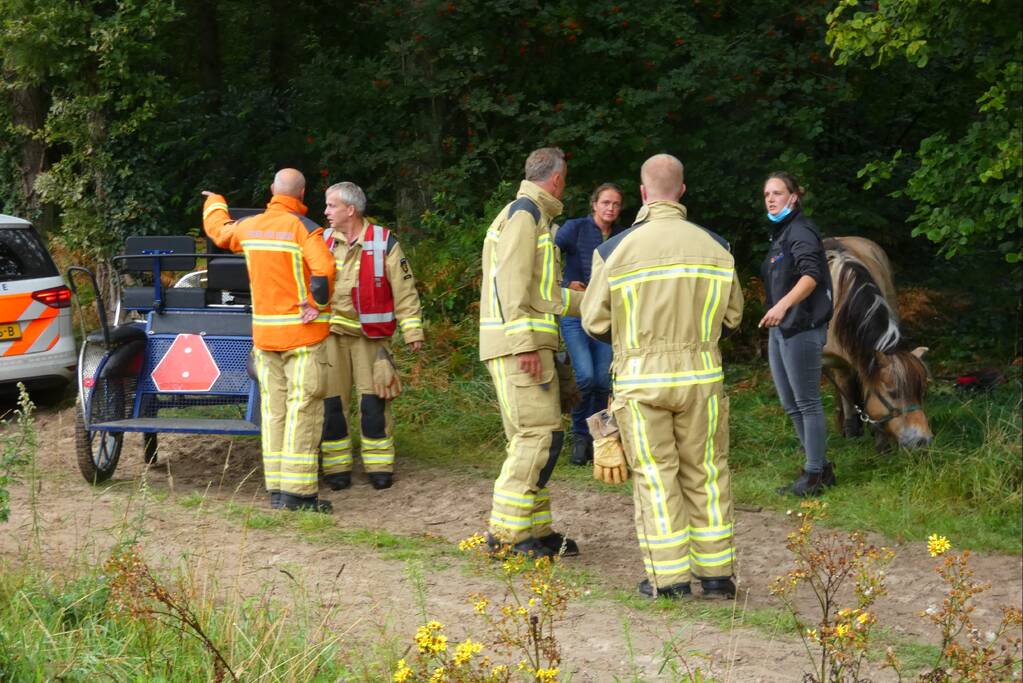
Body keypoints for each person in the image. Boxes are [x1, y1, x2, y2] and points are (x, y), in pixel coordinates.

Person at [581, 154, 743, 599]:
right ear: (682, 192)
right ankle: (717, 575)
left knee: (656, 476)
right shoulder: (717, 247)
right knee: (707, 471)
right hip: (702, 381)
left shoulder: (614, 250)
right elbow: (733, 318)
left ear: (643, 193)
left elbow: (594, 322)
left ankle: (669, 580)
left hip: (640, 382)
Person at [202, 168, 336, 512]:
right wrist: (317, 303)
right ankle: (299, 494)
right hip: (302, 338)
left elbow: (218, 231)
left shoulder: (250, 227)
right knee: (303, 410)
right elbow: (324, 270)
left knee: (274, 411)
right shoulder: (305, 229)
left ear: (272, 190)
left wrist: (216, 202)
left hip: (264, 338)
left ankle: (276, 489)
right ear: (302, 194)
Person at [479, 146, 582, 558]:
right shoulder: (526, 214)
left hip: (527, 345)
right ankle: (507, 536)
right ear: (556, 179)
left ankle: (535, 530)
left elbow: (541, 295)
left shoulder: (531, 215)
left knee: (540, 439)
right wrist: (524, 343)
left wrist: (590, 302)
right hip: (520, 348)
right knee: (536, 437)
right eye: (565, 178)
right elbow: (511, 283)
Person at [318, 181, 425, 491]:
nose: (326, 212)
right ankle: (336, 468)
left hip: (371, 339)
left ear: (350, 210)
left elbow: (405, 290)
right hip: (330, 337)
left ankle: (379, 467)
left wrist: (413, 330)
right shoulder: (322, 241)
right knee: (331, 405)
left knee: (374, 403)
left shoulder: (384, 241)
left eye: (332, 206)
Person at [759, 171, 834, 497]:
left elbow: (811, 275)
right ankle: (821, 467)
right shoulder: (782, 233)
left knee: (807, 402)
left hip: (802, 326)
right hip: (781, 329)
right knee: (790, 403)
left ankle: (813, 475)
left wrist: (783, 306)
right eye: (767, 195)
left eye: (777, 193)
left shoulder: (801, 230)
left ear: (793, 197)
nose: (771, 199)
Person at [555, 183, 624, 466]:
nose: (610, 208)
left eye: (616, 204)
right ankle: (580, 437)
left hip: (606, 315)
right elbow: (546, 253)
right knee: (584, 376)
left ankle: (600, 440)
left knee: (602, 380)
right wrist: (562, 283)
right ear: (594, 204)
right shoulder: (575, 228)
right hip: (575, 313)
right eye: (605, 202)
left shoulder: (622, 236)